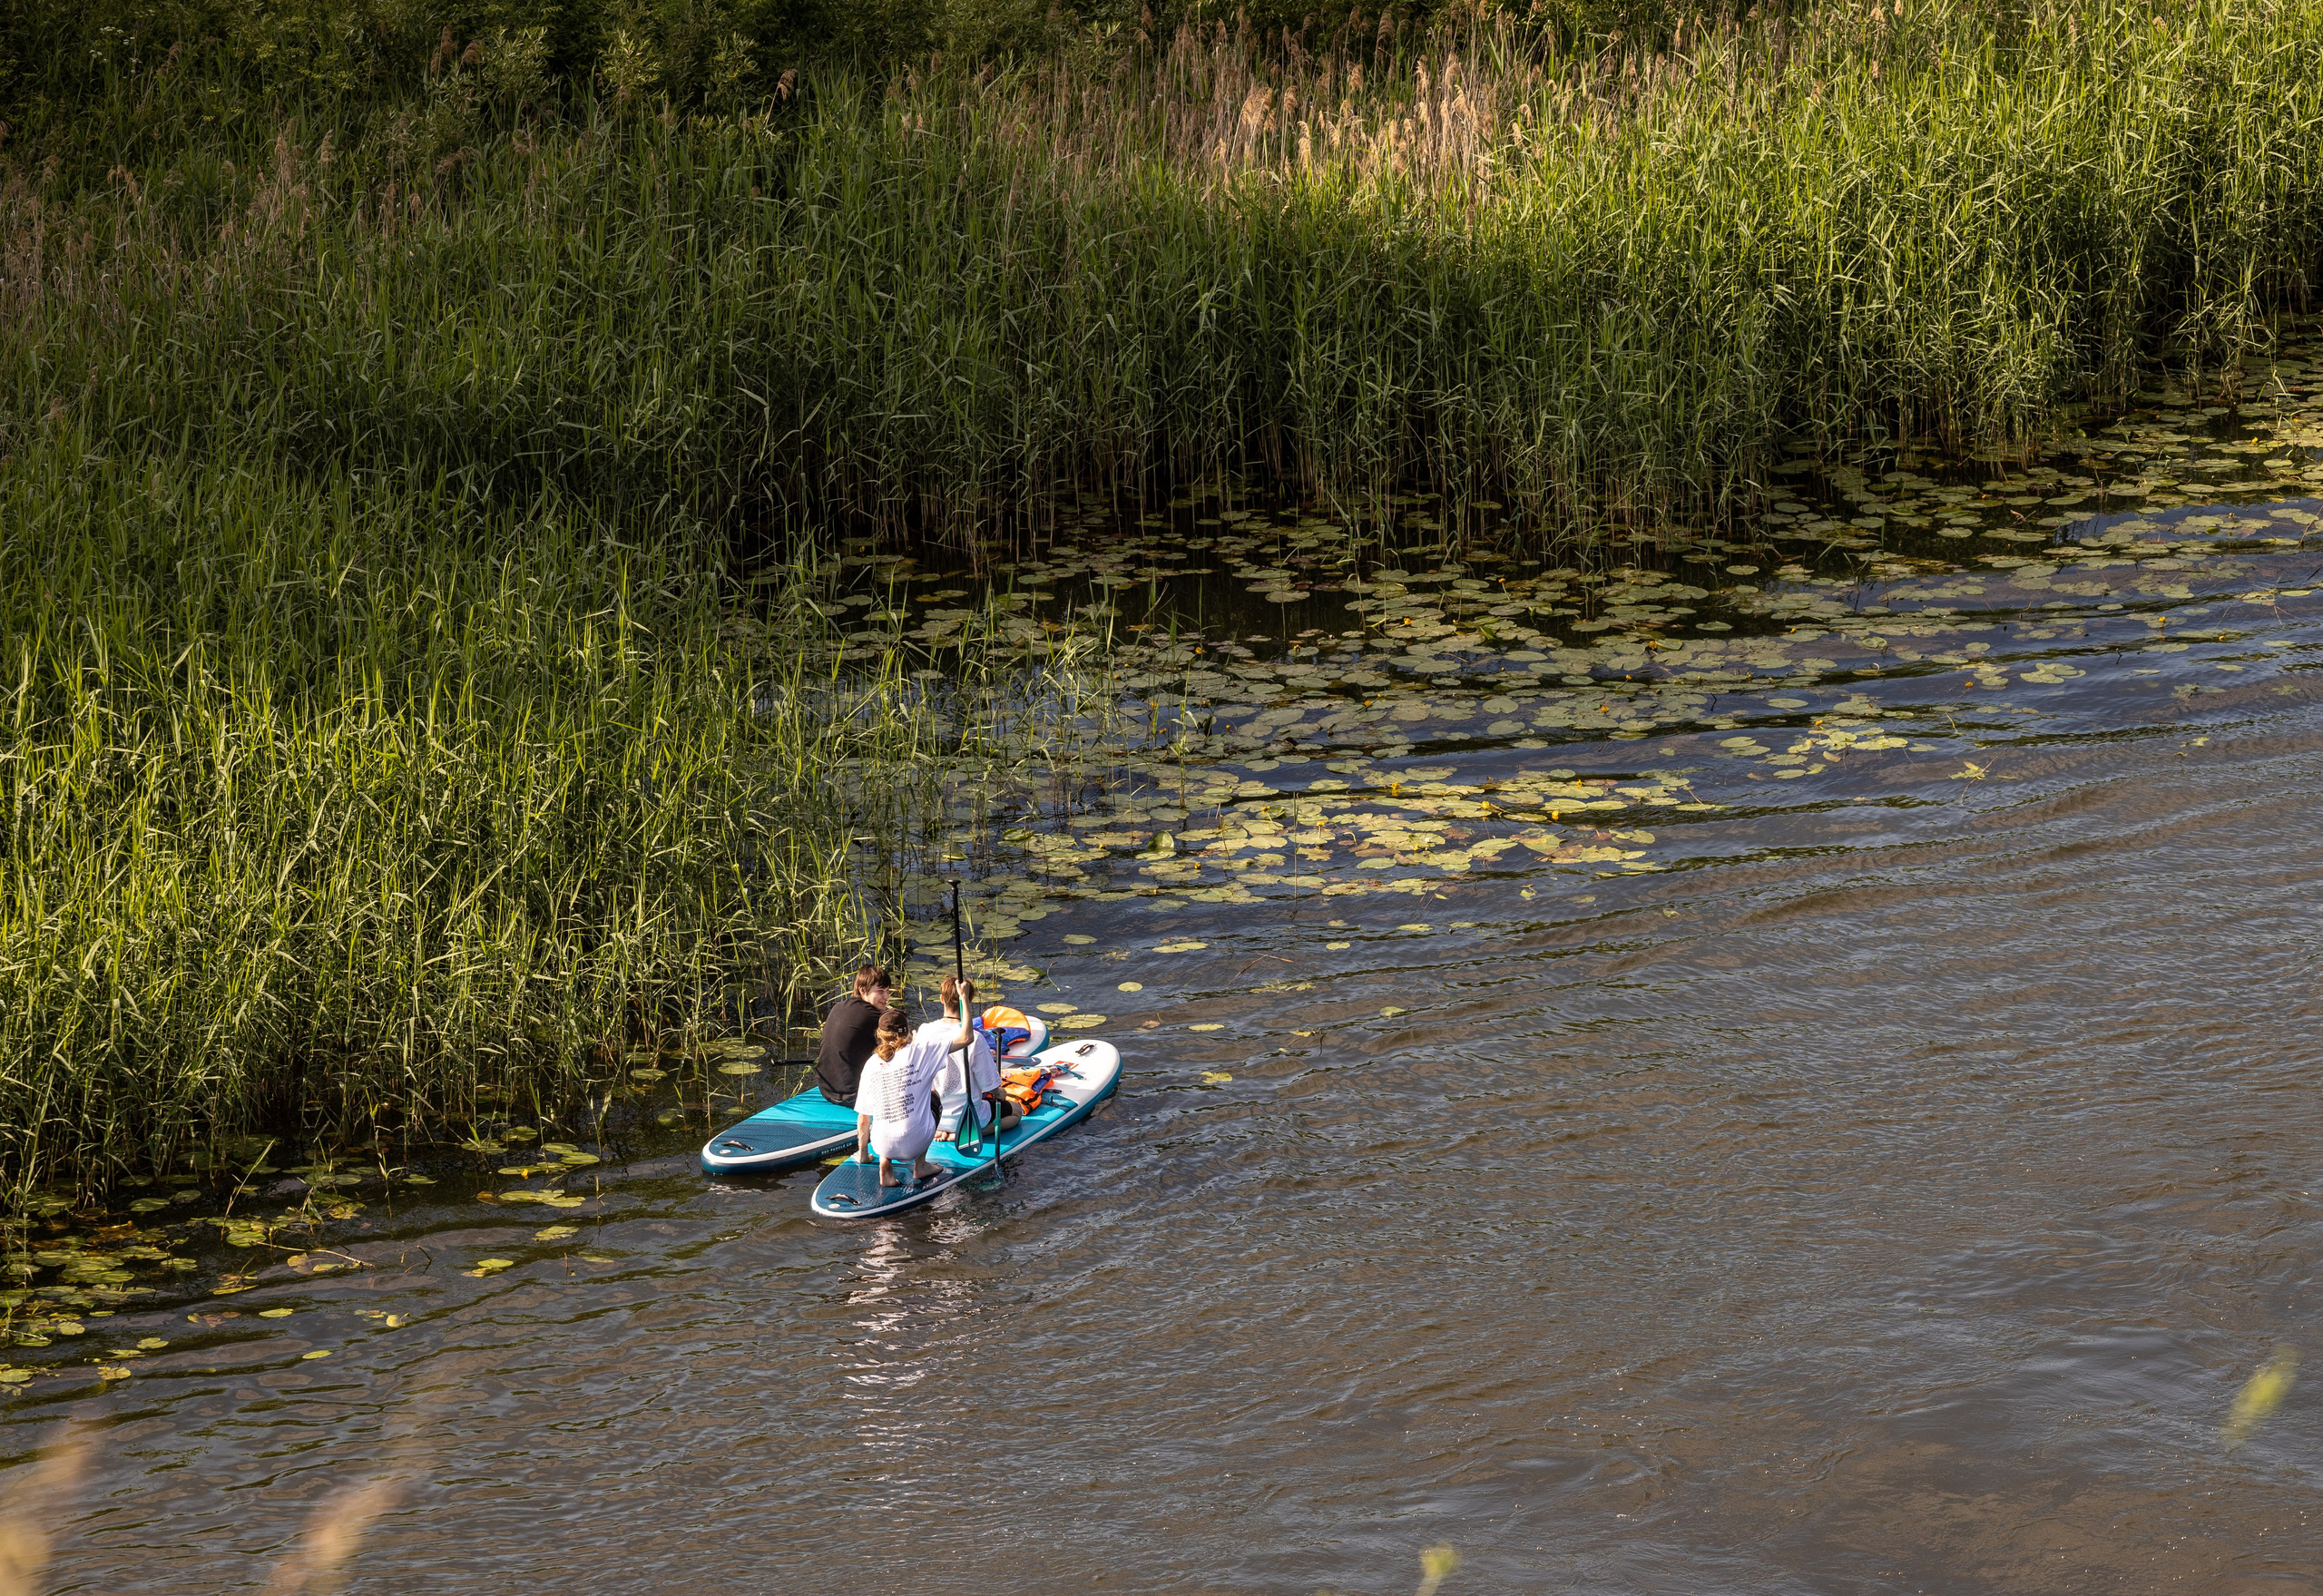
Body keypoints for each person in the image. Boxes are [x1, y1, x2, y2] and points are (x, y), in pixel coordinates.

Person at [852, 1003, 962, 1187]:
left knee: (888, 1102)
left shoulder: (871, 1063)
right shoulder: (921, 1051)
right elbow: (966, 1038)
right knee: (933, 1097)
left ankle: (885, 1162)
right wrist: (964, 998)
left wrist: (863, 1155)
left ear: (879, 1034)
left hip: (880, 1144)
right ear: (907, 1031)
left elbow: (864, 1119)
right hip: (915, 1144)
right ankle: (921, 1165)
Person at [931, 974, 1019, 1148]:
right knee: (1016, 1112)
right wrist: (1001, 1094)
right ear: (968, 1001)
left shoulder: (924, 1032)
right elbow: (990, 1087)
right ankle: (960, 1135)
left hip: (933, 1116)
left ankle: (944, 1130)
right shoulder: (975, 1038)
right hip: (967, 1117)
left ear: (941, 999)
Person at [814, 964, 889, 1107]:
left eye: (887, 991)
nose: (886, 997)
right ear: (863, 990)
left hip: (825, 1090)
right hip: (852, 1097)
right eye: (880, 991)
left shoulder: (838, 1006)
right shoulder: (874, 1017)